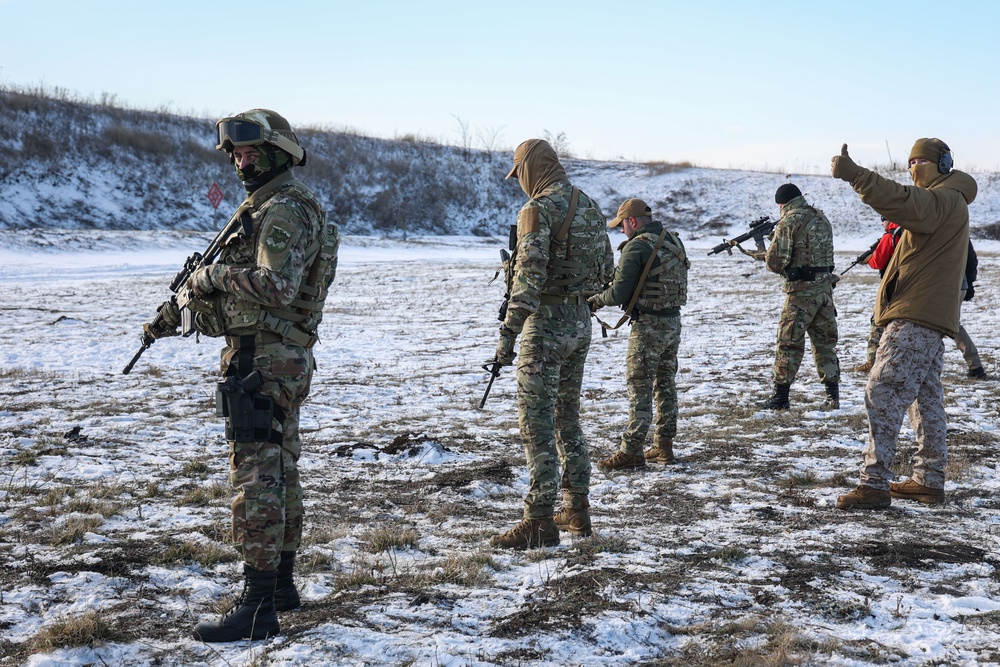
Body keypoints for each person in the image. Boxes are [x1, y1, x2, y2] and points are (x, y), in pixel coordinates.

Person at [146, 109, 339, 640]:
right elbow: (260, 301)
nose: (240, 160)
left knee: (257, 479)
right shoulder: (274, 207)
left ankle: (257, 606)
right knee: (279, 471)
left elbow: (275, 288)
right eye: (234, 153)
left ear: (278, 152)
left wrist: (212, 277)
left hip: (265, 362)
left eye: (251, 151)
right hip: (277, 356)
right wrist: (186, 311)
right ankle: (279, 586)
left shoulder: (283, 211)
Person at [831, 139, 976, 510]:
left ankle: (874, 483)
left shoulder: (943, 200)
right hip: (926, 315)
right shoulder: (946, 200)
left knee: (882, 392)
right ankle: (928, 480)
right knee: (925, 399)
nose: (914, 168)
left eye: (921, 161)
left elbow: (903, 200)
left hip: (916, 315)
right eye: (910, 162)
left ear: (943, 164)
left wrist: (856, 176)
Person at [489, 138, 614, 549]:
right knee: (567, 417)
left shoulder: (536, 210)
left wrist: (507, 336)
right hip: (580, 322)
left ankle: (539, 520)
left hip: (545, 326)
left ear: (529, 169)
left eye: (519, 174)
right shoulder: (591, 206)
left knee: (536, 424)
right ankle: (576, 509)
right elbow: (607, 272)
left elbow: (527, 279)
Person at [588, 198, 689, 470]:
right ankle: (663, 446)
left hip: (648, 327)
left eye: (622, 224)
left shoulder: (636, 247)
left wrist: (595, 300)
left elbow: (618, 293)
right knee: (665, 384)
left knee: (639, 386)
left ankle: (631, 450)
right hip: (672, 322)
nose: (621, 230)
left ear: (632, 221)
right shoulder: (673, 240)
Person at [747, 184, 840, 410]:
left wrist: (765, 251)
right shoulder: (821, 218)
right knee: (825, 344)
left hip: (800, 294)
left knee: (788, 343)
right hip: (825, 292)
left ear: (782, 203)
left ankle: (780, 397)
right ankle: (832, 396)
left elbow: (776, 262)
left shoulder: (788, 222)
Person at [855, 217, 902, 373]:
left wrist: (868, 260)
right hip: (910, 284)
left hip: (891, 286)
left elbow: (878, 262)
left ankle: (872, 360)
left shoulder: (890, 236)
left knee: (877, 321)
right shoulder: (908, 232)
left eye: (883, 219)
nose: (882, 223)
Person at [957, 241, 987, 378]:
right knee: (950, 325)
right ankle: (975, 366)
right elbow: (972, 259)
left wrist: (968, 283)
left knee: (949, 325)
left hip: (947, 286)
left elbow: (971, 260)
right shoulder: (960, 229)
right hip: (956, 284)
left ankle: (975, 366)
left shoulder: (941, 227)